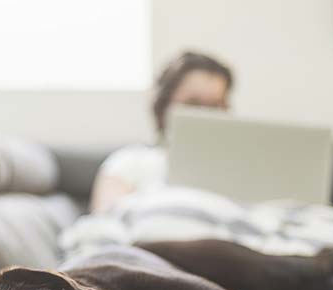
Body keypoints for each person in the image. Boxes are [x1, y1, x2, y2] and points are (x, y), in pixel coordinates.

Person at [90, 51, 234, 212]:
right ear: (163, 106)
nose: (205, 117)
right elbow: (106, 221)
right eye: (193, 104)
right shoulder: (129, 162)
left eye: (215, 106)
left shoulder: (238, 171)